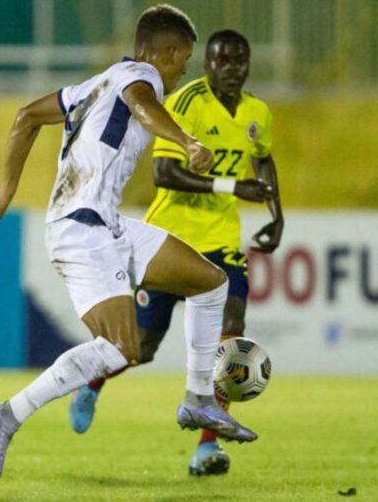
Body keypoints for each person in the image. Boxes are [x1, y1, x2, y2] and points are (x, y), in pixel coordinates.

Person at [0, 5, 258, 481]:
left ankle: (198, 399)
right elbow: (143, 101)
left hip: (107, 223)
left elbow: (25, 117)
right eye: (181, 61)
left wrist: (4, 193)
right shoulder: (141, 76)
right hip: (81, 229)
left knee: (209, 282)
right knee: (121, 348)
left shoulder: (89, 86)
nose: (181, 72)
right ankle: (8, 414)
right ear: (165, 52)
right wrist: (187, 141)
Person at [68, 29, 283, 476]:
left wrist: (276, 214)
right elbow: (165, 172)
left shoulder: (257, 111)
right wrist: (232, 185)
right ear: (206, 64)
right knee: (140, 348)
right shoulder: (186, 103)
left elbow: (262, 157)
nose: (232, 69)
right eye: (223, 61)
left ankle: (207, 447)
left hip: (221, 243)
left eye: (240, 61)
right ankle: (92, 381)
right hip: (169, 242)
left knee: (231, 330)